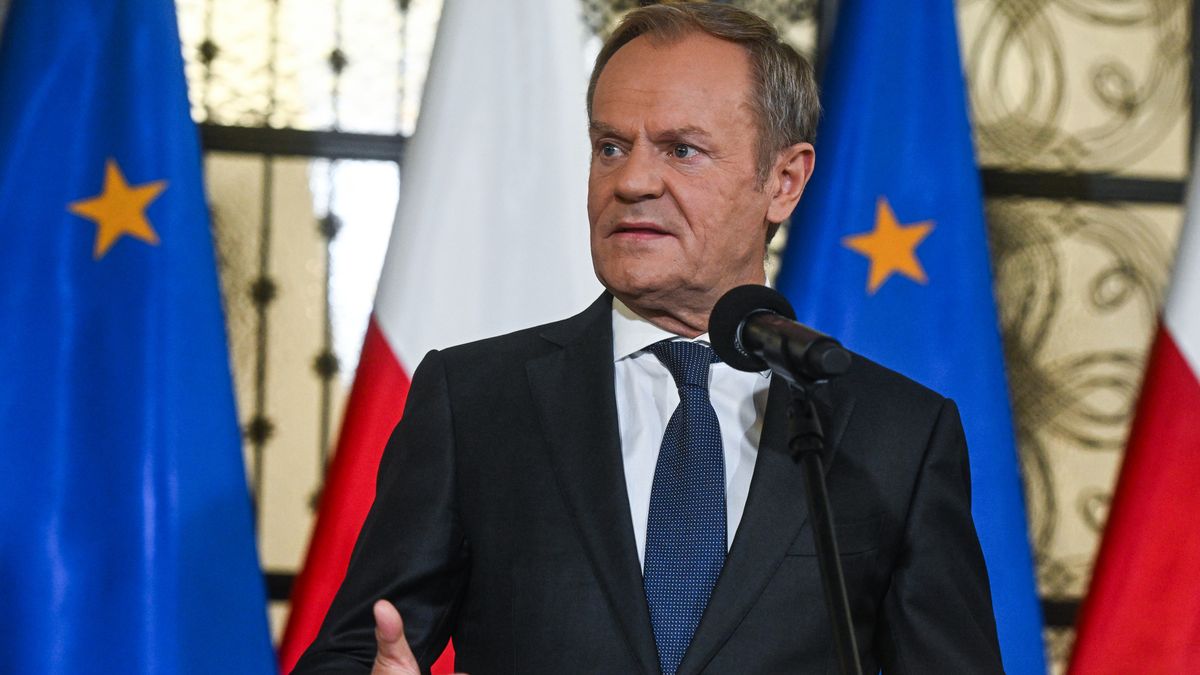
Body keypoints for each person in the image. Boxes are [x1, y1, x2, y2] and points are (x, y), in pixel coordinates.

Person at [293, 2, 1004, 673]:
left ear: (783, 181)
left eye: (681, 150)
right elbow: (358, 648)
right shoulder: (476, 401)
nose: (632, 180)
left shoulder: (896, 433)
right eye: (610, 146)